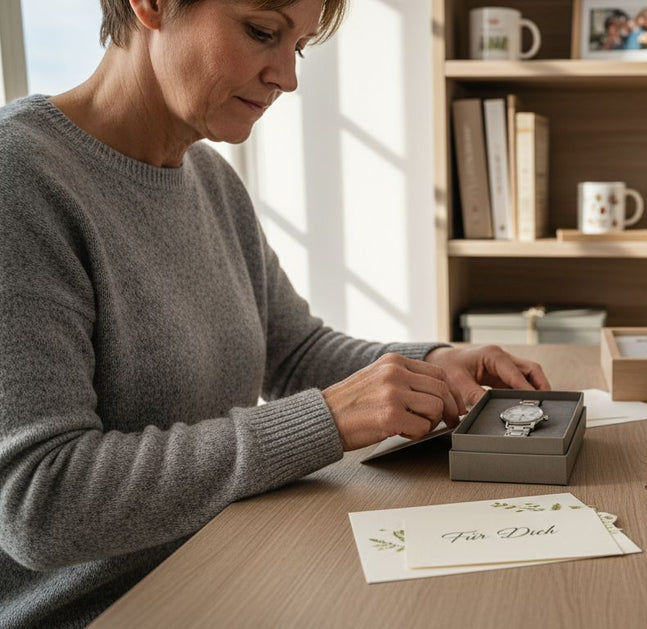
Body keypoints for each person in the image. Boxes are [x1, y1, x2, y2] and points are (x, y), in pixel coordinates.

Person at [0, 1, 551, 625]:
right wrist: (325, 421)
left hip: (225, 567)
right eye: (262, 33)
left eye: (300, 46)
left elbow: (293, 352)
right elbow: (39, 504)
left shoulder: (209, 178)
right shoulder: (20, 180)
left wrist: (432, 361)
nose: (287, 78)